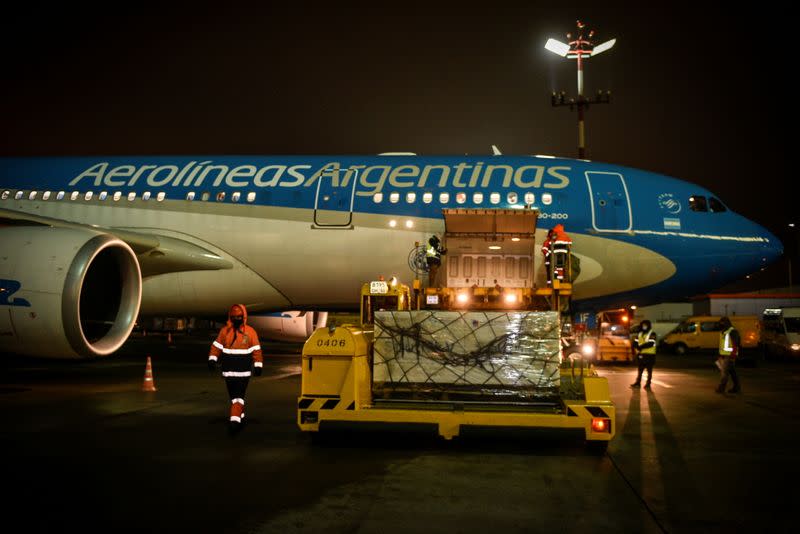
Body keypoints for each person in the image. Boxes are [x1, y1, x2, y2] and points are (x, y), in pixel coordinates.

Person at [208, 304, 263, 430]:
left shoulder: (250, 332)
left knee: (238, 397)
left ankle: (234, 421)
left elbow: (256, 350)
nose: (236, 319)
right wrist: (212, 359)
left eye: (239, 317)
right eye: (234, 317)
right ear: (230, 317)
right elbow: (216, 346)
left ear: (243, 317)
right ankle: (239, 415)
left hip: (243, 373)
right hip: (228, 373)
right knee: (235, 398)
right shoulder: (225, 332)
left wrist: (258, 365)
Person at [716, 316, 741, 394]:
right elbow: (722, 345)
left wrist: (733, 354)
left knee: (724, 373)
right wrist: (720, 355)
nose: (720, 325)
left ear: (726, 323)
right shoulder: (723, 332)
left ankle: (721, 388)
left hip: (729, 356)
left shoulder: (732, 331)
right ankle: (737, 388)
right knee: (733, 373)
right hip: (724, 355)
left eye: (722, 323)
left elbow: (735, 344)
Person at [631, 319, 657, 389]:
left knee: (649, 370)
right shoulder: (640, 334)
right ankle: (638, 383)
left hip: (650, 355)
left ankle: (648, 384)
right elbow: (635, 342)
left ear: (648, 326)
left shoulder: (652, 333)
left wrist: (640, 347)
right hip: (641, 354)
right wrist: (636, 346)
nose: (644, 326)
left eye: (645, 325)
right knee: (640, 370)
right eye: (643, 325)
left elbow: (651, 343)